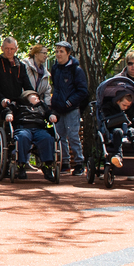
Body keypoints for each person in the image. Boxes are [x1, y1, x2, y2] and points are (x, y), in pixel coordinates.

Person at [47, 41, 88, 172]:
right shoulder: (55, 68)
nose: (58, 54)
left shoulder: (76, 70)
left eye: (61, 51)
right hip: (58, 108)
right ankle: (64, 162)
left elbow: (83, 91)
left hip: (71, 109)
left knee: (73, 135)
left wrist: (69, 102)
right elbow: (56, 87)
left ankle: (79, 163)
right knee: (60, 136)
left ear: (68, 53)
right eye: (57, 51)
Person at [97, 88, 134, 172]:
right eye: (124, 105)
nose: (126, 107)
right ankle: (118, 156)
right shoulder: (108, 107)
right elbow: (106, 120)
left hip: (128, 128)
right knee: (118, 132)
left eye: (127, 106)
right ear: (118, 101)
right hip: (114, 128)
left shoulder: (130, 109)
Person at [12, 90, 60, 182]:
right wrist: (8, 114)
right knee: (22, 137)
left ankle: (47, 165)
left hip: (39, 129)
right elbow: (7, 110)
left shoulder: (42, 106)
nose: (37, 98)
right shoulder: (18, 105)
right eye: (35, 96)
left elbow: (51, 112)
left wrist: (52, 115)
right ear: (27, 97)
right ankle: (21, 165)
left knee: (47, 138)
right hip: (24, 128)